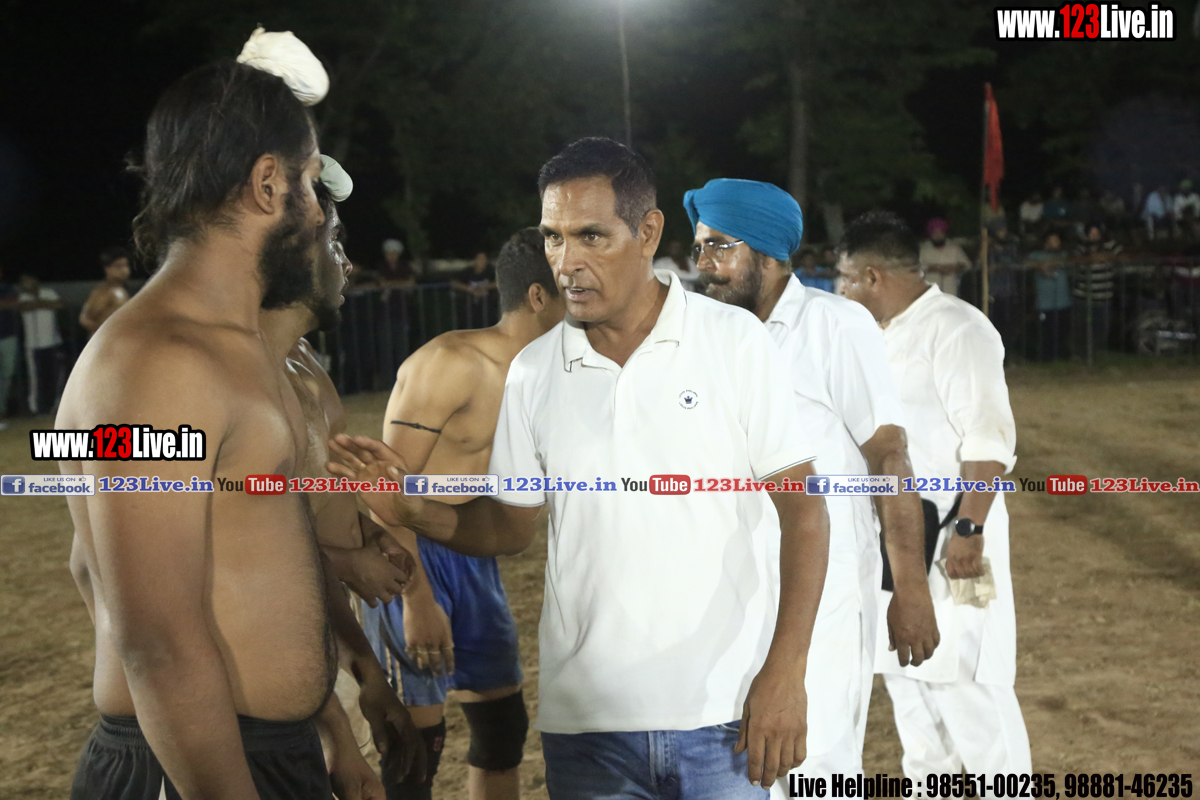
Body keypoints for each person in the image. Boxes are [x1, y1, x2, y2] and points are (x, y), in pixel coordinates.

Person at [329, 137, 833, 798]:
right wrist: (413, 510)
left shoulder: (736, 341)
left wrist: (787, 671)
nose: (567, 262)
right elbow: (509, 527)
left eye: (591, 236)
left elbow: (805, 512)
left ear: (647, 232)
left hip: (723, 711)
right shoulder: (533, 371)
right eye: (554, 238)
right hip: (587, 727)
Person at [55, 33, 421, 799]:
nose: (321, 214)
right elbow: (156, 642)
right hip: (194, 765)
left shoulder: (232, 350)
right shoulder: (156, 364)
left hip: (259, 752)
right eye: (311, 183)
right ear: (266, 184)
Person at [683, 179, 939, 790]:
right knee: (740, 768)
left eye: (719, 246)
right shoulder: (706, 334)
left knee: (814, 769)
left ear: (768, 253)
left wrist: (909, 586)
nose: (703, 264)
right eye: (698, 248)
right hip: (728, 591)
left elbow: (889, 456)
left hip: (825, 594)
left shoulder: (834, 324)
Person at [362, 226, 565, 800]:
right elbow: (385, 488)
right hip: (408, 554)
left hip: (474, 554)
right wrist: (416, 598)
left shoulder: (550, 376)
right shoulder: (451, 362)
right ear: (537, 296)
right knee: (414, 750)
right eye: (572, 286)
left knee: (503, 731)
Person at [836, 210, 1030, 778]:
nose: (840, 291)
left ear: (872, 276)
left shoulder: (958, 329)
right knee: (910, 684)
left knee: (971, 685)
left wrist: (970, 529)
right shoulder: (873, 337)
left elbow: (989, 440)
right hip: (899, 541)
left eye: (844, 279)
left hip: (959, 539)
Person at [1071, 222, 1120, 359]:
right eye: (1091, 233)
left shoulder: (1110, 246)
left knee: (1101, 328)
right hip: (1084, 296)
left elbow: (1120, 255)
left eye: (1096, 233)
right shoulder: (1081, 248)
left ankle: (1096, 354)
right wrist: (1093, 258)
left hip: (1103, 296)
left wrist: (1103, 256)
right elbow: (1077, 260)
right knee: (1081, 328)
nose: (1094, 236)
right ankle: (1079, 354)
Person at [17, 272, 65, 415]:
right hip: (33, 344)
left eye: (28, 280)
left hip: (53, 341)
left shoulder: (48, 292)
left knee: (54, 376)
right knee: (35, 379)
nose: (26, 284)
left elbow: (59, 304)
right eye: (23, 281)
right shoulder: (22, 296)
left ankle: (56, 406)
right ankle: (36, 408)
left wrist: (37, 303)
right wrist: (44, 304)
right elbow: (24, 306)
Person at [1026, 232, 1071, 361]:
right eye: (1051, 241)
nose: (1054, 244)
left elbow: (1069, 261)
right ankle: (1045, 356)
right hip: (1044, 303)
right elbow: (1026, 263)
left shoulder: (1064, 255)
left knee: (1062, 330)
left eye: (1056, 241)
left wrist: (1050, 265)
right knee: (1046, 331)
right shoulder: (1036, 255)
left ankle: (1061, 355)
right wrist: (1040, 267)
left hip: (1062, 301)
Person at [79, 247, 133, 335]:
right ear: (107, 269)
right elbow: (85, 319)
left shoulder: (121, 290)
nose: (124, 270)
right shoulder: (104, 291)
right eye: (118, 266)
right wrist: (105, 335)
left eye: (126, 265)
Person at [918, 219, 970, 297]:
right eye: (935, 233)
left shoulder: (954, 248)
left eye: (940, 233)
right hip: (931, 291)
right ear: (930, 234)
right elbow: (917, 267)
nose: (938, 236)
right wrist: (933, 268)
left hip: (951, 290)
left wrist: (954, 268)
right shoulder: (924, 249)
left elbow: (967, 265)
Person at [0, 262, 20, 428]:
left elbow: (14, 302)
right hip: (7, 336)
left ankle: (1, 412)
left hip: (7, 336)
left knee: (6, 375)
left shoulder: (7, 287)